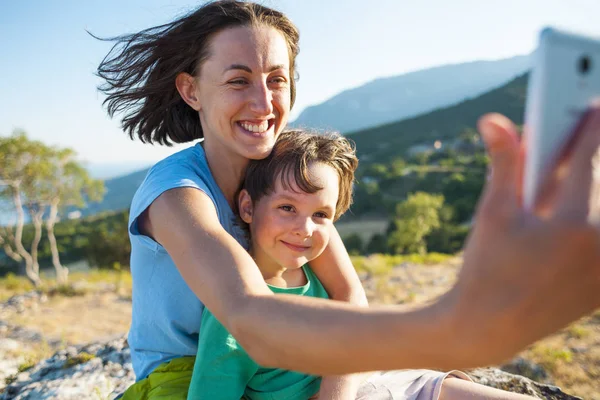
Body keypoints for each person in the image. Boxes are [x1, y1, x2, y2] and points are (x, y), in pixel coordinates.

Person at [96, 1, 600, 399]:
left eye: (277, 79)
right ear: (191, 90)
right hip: (193, 383)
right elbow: (248, 319)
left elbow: (348, 296)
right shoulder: (176, 195)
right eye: (237, 80)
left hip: (300, 368)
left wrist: (335, 394)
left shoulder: (284, 173)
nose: (263, 102)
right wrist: (461, 329)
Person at [187, 129, 537, 400]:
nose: (304, 229)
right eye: (287, 208)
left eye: (321, 214)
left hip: (376, 380)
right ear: (247, 207)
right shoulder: (232, 311)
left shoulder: (316, 276)